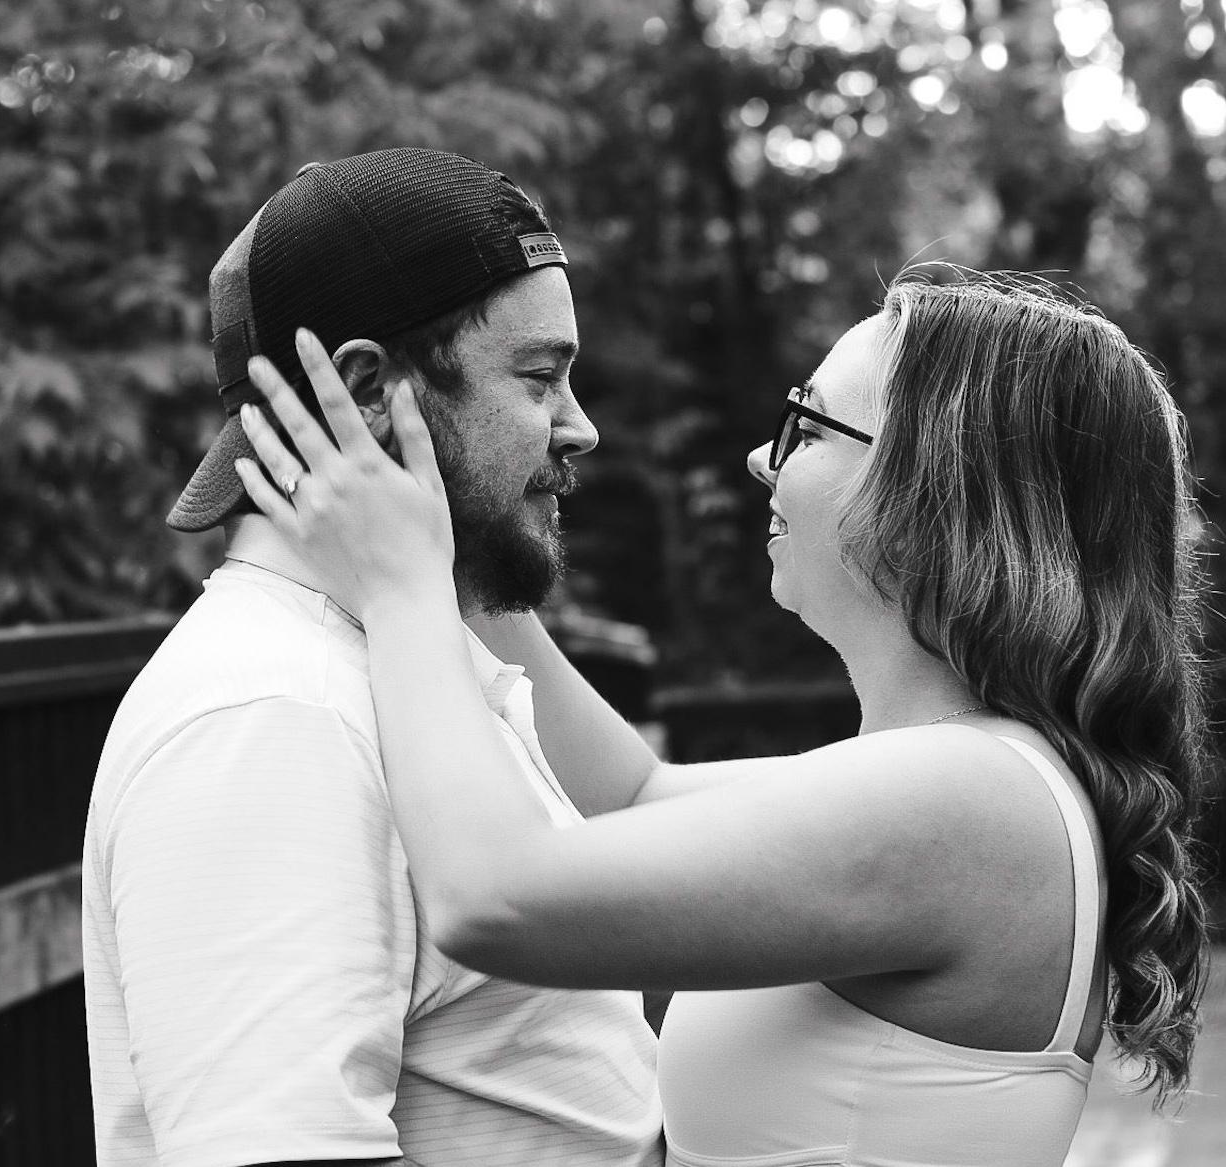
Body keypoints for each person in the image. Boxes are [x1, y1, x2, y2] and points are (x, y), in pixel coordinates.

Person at [234, 269, 1214, 1167]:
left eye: (807, 427)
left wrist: (404, 583)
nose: (759, 459)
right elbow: (628, 796)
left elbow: (492, 899)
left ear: (941, 488)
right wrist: (462, 510)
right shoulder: (970, 781)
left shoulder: (969, 800)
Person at [80, 148, 665, 1167]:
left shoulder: (396, 666)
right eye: (539, 377)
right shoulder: (273, 718)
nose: (581, 429)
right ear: (365, 389)